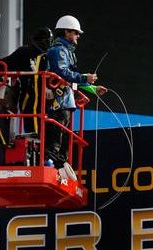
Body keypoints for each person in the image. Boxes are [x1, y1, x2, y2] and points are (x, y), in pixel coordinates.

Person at [45, 15, 107, 170]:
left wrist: (93, 89)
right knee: (56, 134)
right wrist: (85, 77)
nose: (78, 36)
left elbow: (73, 79)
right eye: (76, 33)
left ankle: (60, 163)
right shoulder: (59, 50)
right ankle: (51, 162)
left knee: (63, 134)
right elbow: (62, 72)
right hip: (57, 102)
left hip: (64, 102)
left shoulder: (66, 51)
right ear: (67, 32)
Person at [0, 27, 54, 137]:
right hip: (31, 98)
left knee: (46, 129)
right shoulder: (25, 53)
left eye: (49, 41)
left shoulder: (51, 57)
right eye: (45, 40)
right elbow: (3, 65)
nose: (47, 44)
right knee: (34, 130)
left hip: (47, 101)